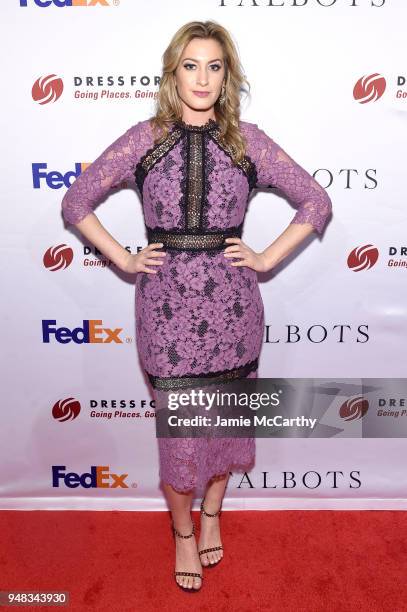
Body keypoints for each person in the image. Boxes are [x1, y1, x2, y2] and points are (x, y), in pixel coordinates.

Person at [61, 20, 332, 592]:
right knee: (183, 431)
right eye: (191, 65)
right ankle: (183, 531)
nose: (203, 78)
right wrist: (124, 259)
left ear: (227, 74)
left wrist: (266, 257)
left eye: (214, 66)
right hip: (165, 309)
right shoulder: (145, 137)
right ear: (172, 72)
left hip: (234, 307)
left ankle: (212, 515)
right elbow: (77, 201)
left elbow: (315, 200)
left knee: (226, 422)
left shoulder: (246, 141)